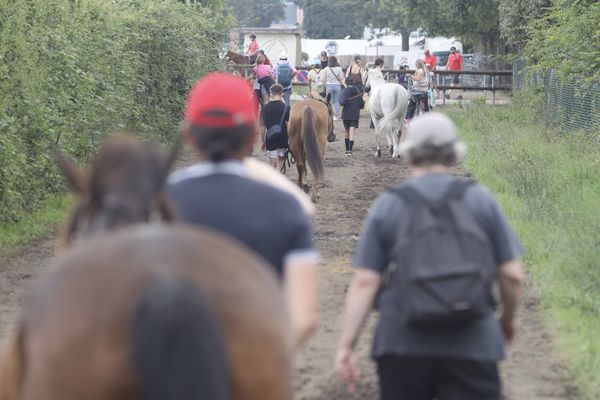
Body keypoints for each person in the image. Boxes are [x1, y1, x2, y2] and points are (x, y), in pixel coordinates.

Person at [335, 112, 524, 400]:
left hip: (401, 342)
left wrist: (347, 345)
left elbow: (364, 282)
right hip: (473, 343)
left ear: (410, 155)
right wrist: (506, 320)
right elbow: (511, 275)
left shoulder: (389, 205)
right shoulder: (480, 199)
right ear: (453, 155)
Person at [167, 73, 319, 348]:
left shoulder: (161, 200)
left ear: (189, 135)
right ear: (251, 134)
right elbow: (305, 317)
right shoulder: (286, 206)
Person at [260, 84, 290, 171]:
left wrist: (262, 141)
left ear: (271, 94)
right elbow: (289, 125)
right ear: (282, 94)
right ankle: (279, 176)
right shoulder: (286, 107)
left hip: (270, 137)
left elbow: (262, 127)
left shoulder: (264, 108)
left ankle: (273, 179)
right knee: (281, 158)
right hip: (283, 137)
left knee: (272, 163)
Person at [339, 76, 364, 156]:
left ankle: (347, 149)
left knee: (346, 131)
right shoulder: (358, 91)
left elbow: (341, 103)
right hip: (355, 114)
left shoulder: (344, 91)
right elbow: (361, 105)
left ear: (346, 82)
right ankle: (350, 150)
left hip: (346, 114)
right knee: (352, 131)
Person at [405, 59, 431, 123]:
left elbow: (418, 79)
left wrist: (410, 75)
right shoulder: (426, 70)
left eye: (416, 64)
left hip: (417, 90)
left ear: (418, 64)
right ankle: (428, 119)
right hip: (424, 90)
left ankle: (408, 118)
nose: (415, 65)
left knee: (411, 104)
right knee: (425, 106)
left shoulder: (419, 70)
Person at [324, 56, 345, 120]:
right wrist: (344, 84)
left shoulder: (326, 69)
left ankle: (331, 115)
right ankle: (336, 116)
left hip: (329, 86)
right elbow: (342, 78)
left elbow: (324, 79)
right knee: (336, 101)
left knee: (330, 101)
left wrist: (324, 86)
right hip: (337, 86)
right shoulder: (339, 69)